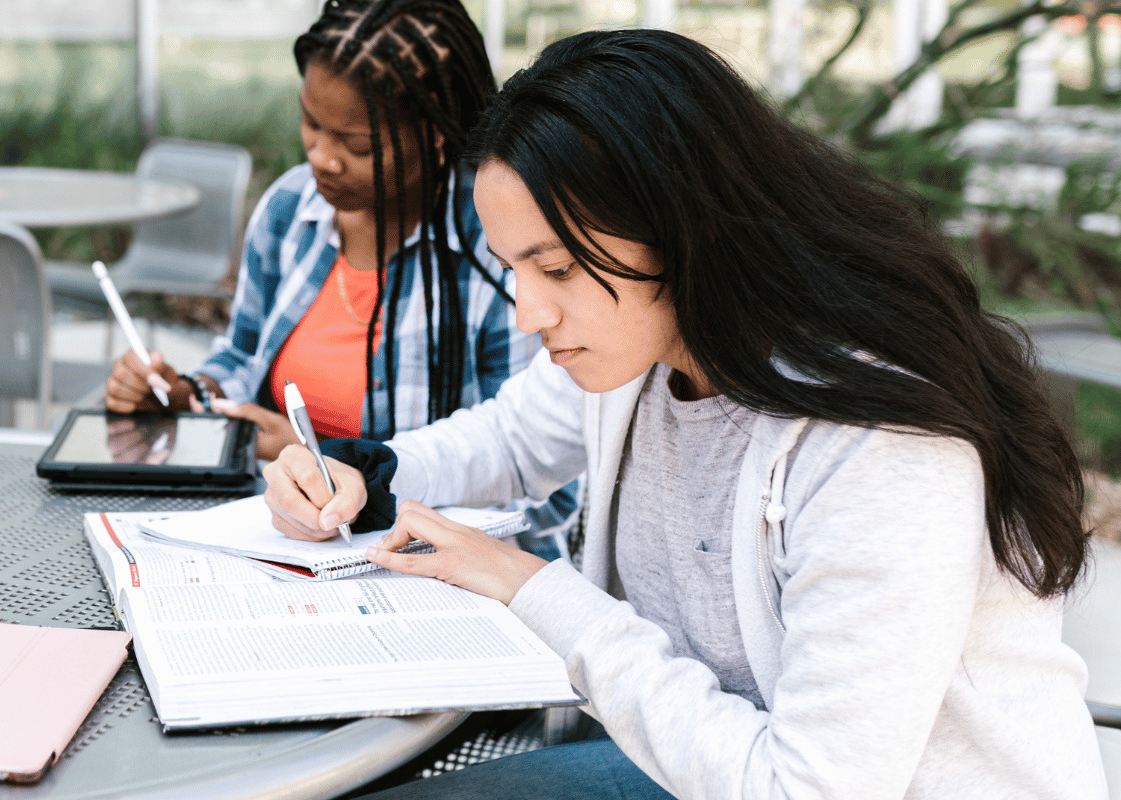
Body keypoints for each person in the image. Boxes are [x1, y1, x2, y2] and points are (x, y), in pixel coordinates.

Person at [264, 29, 1106, 798]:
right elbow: (512, 439)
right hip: (699, 768)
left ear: (681, 226)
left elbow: (805, 790)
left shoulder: (879, 443)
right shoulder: (648, 341)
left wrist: (535, 590)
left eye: (555, 270)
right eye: (513, 268)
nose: (528, 313)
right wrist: (359, 472)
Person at [105, 0, 533, 462]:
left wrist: (328, 460)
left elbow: (530, 471)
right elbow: (244, 357)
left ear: (434, 132)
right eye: (311, 123)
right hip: (269, 516)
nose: (321, 158)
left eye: (358, 145)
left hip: (411, 533)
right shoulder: (290, 209)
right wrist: (186, 394)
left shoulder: (496, 248)